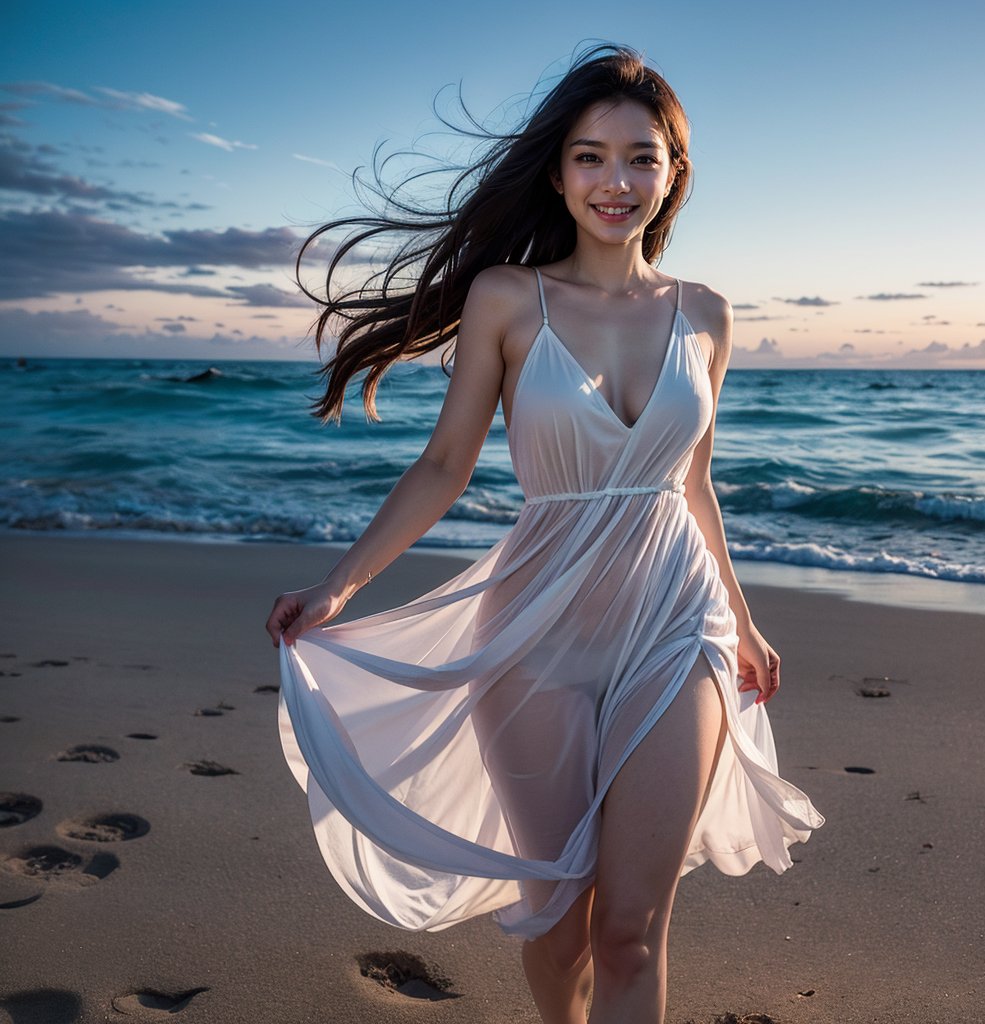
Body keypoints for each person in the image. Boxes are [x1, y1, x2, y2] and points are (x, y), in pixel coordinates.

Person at [264, 42, 824, 1024]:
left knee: (632, 928)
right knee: (559, 915)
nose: (617, 181)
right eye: (590, 156)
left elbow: (693, 479)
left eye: (640, 156)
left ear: (673, 172)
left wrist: (745, 615)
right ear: (558, 173)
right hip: (534, 635)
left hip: (675, 621)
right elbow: (444, 467)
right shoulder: (508, 299)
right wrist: (342, 586)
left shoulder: (709, 315)